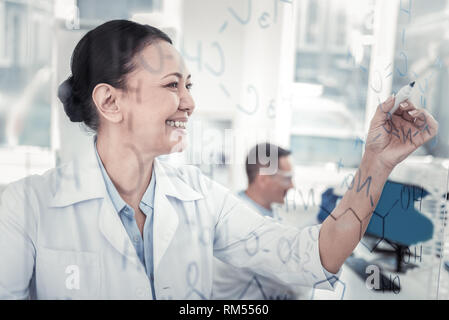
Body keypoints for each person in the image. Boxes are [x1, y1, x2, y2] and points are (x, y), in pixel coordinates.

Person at [0, 20, 438, 300]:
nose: (189, 102)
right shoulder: (24, 208)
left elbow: (312, 255)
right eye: (173, 85)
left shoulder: (200, 199)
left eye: (188, 85)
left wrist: (375, 164)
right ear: (110, 103)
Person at [212, 143, 309, 299]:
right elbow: (297, 283)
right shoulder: (245, 227)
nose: (292, 185)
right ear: (263, 179)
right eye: (287, 178)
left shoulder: (261, 209)